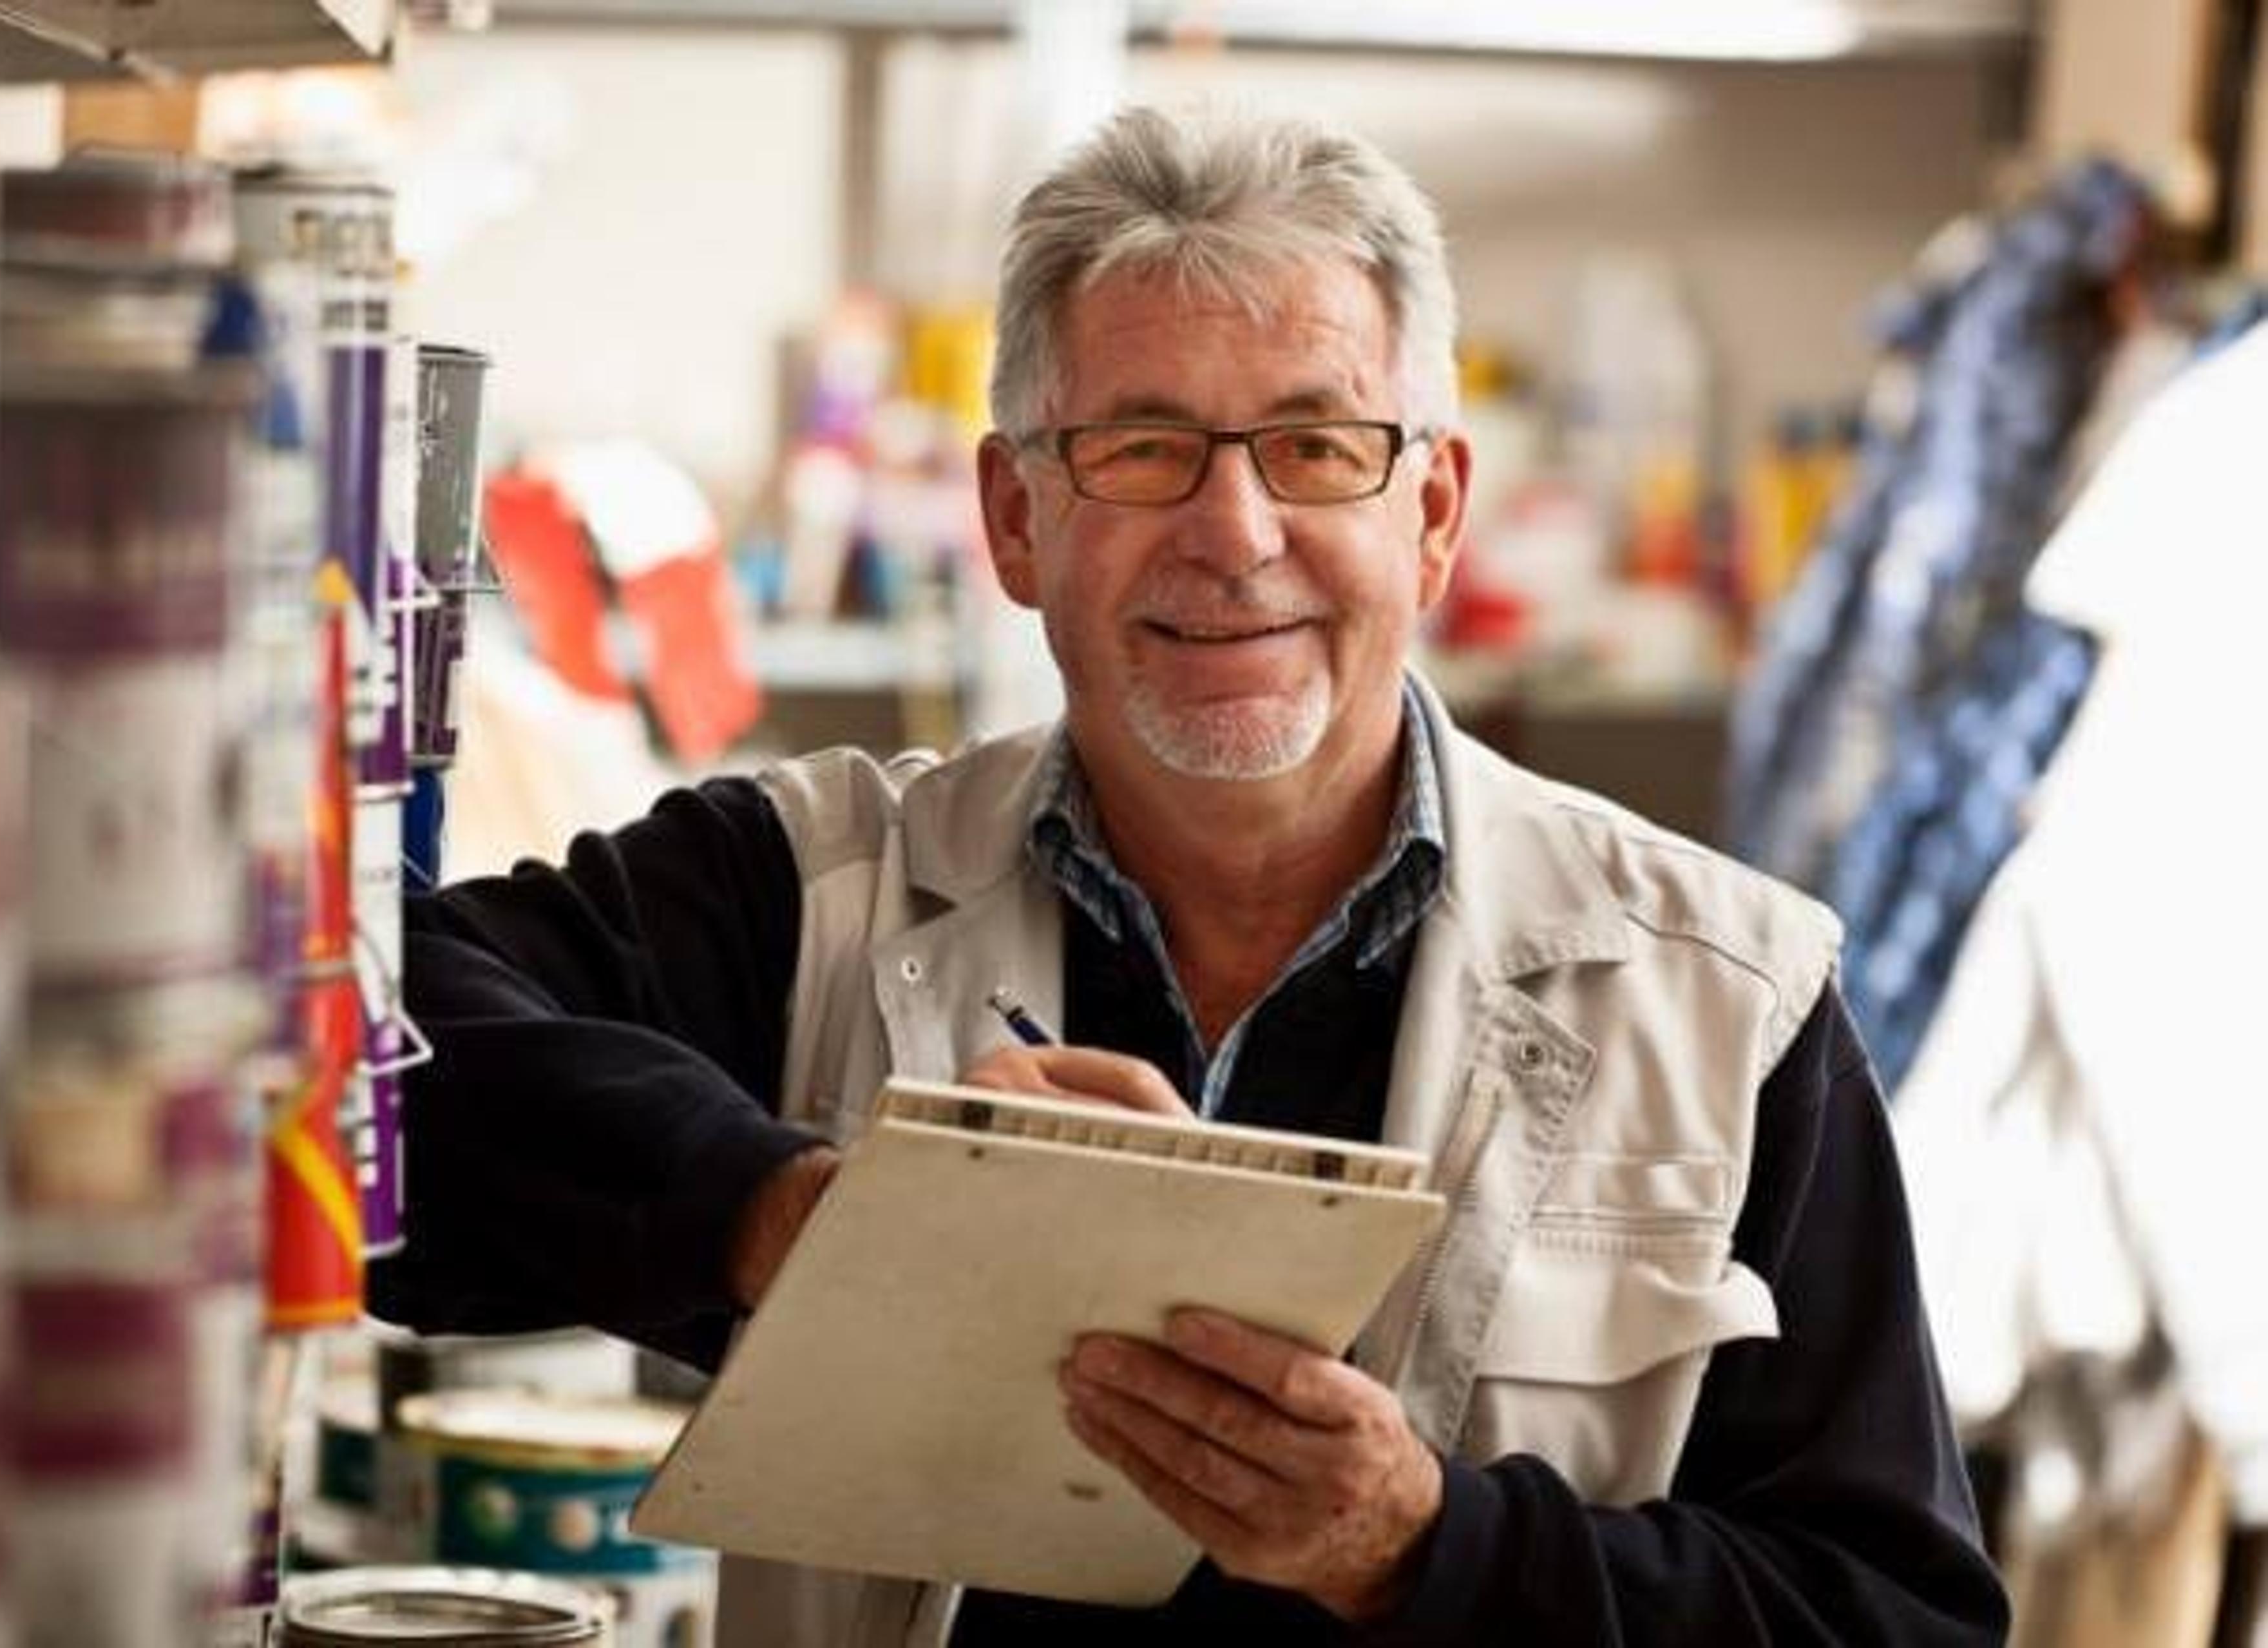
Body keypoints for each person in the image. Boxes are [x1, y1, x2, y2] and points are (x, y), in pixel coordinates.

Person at [372, 104, 2008, 1645]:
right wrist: (781, 1215)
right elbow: (355, 1037)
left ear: (1434, 511)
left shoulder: (1724, 998)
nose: (1234, 533)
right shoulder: (810, 888)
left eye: (1315, 447)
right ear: (1016, 517)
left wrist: (1424, 1545)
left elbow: (1894, 1615)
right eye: (1144, 447)